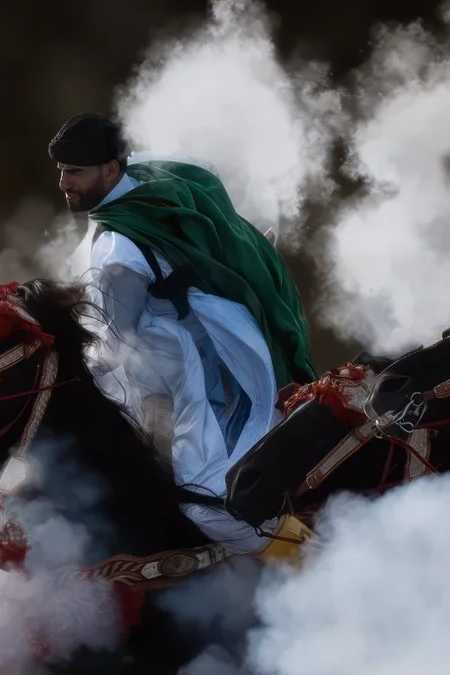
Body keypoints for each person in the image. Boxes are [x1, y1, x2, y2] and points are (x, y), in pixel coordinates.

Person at [51, 112, 314, 551]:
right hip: (239, 336)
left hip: (204, 378)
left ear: (112, 169)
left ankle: (294, 558)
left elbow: (120, 343)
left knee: (205, 500)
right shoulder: (168, 174)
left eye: (75, 171)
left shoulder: (118, 254)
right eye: (61, 171)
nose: (63, 182)